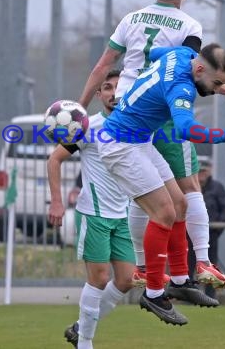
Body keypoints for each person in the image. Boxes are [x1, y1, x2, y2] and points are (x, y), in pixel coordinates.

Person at [78, 0, 225, 294]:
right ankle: (197, 264)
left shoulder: (131, 19)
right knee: (187, 190)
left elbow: (104, 65)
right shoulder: (189, 27)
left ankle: (152, 271)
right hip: (158, 114)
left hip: (124, 107)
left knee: (151, 199)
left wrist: (80, 107)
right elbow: (194, 71)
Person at [97, 43, 225, 325]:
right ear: (199, 69)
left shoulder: (181, 54)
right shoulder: (182, 87)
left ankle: (181, 280)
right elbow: (185, 129)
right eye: (217, 83)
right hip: (120, 144)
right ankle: (154, 292)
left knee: (181, 203)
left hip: (139, 140)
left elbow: (155, 54)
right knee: (164, 213)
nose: (217, 88)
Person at [47, 70, 135, 348]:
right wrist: (58, 202)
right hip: (95, 214)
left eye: (118, 87)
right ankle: (85, 342)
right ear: (99, 95)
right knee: (99, 278)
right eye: (107, 88)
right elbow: (54, 160)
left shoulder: (136, 127)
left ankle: (79, 328)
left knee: (127, 280)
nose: (112, 93)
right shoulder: (87, 127)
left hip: (123, 216)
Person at [187, 159, 225, 299]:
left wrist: (217, 229)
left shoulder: (217, 188)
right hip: (189, 233)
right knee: (189, 264)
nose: (201, 175)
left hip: (210, 234)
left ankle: (210, 296)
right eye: (199, 171)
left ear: (209, 171)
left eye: (204, 171)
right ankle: (190, 294)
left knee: (210, 264)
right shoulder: (189, 186)